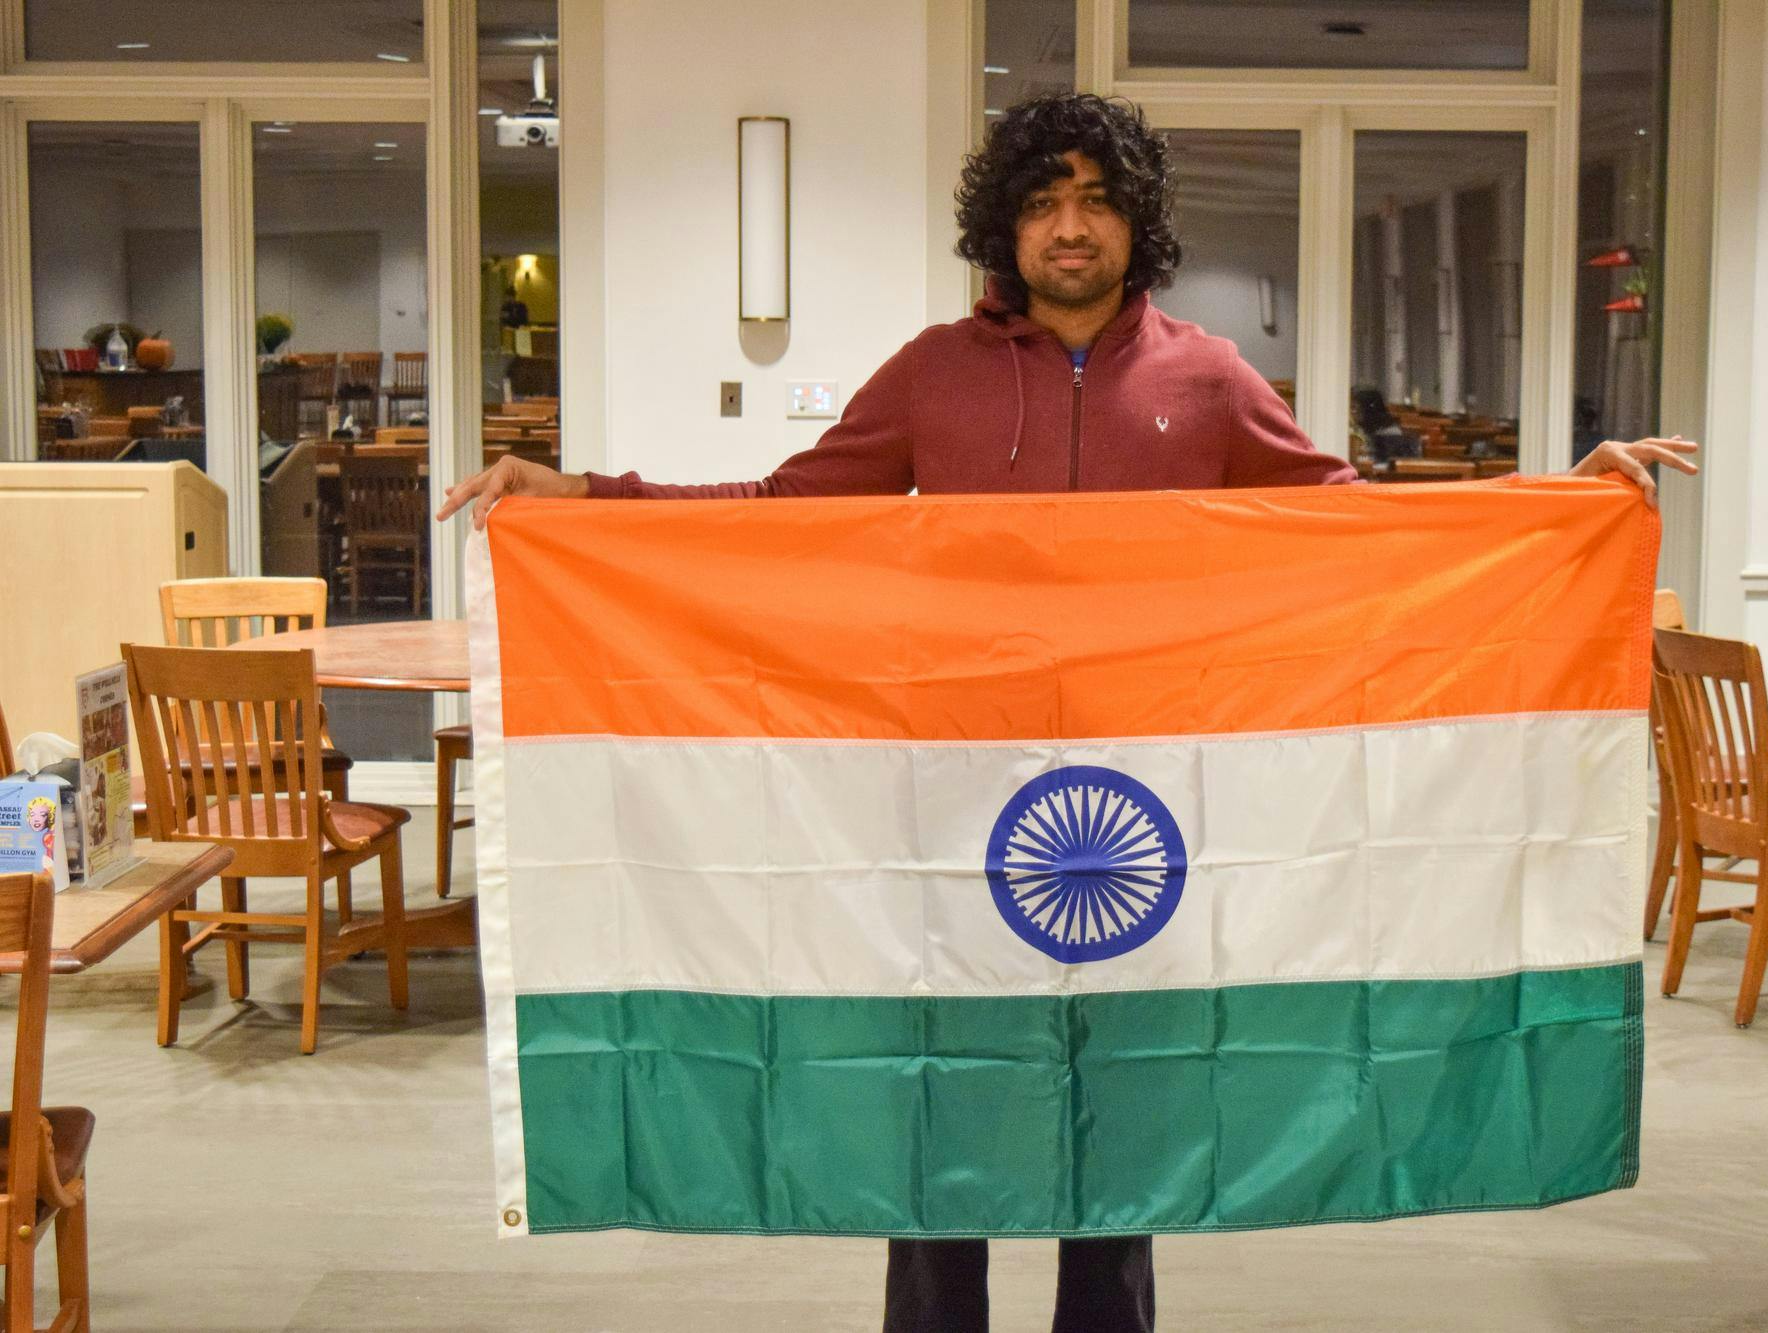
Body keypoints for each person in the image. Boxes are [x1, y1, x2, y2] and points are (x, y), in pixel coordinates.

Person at [439, 93, 1698, 1333]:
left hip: (1142, 804)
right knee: (943, 1074)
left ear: (1135, 220)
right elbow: (782, 505)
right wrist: (585, 497)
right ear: (1006, 226)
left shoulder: (1206, 379)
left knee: (1127, 1087)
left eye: (1095, 199)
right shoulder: (933, 370)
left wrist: (1549, 505)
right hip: (948, 787)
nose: (1069, 226)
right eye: (1042, 202)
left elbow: (1355, 519)